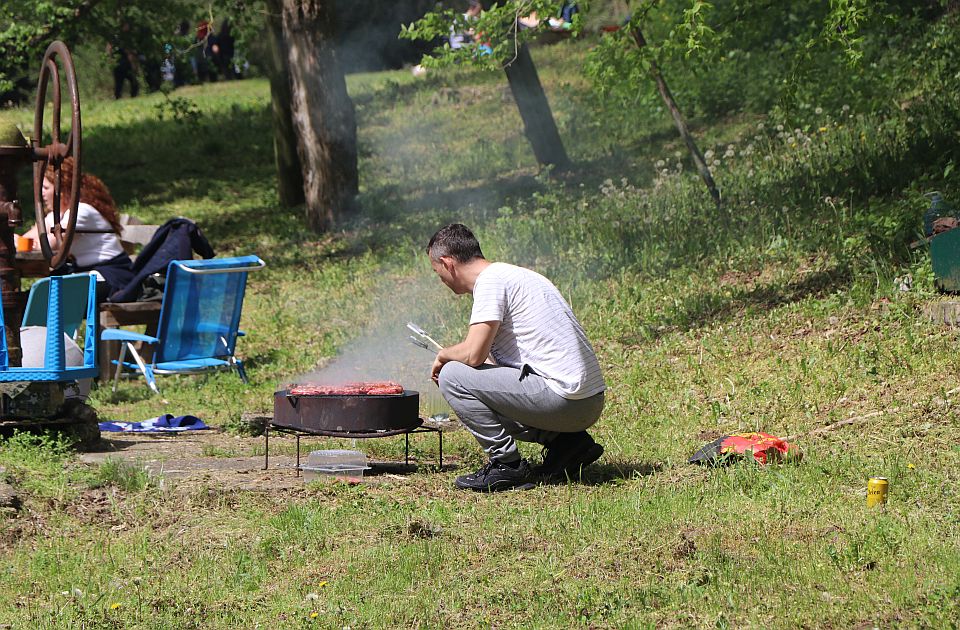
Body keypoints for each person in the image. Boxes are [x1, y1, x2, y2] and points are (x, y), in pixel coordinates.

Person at [427, 224, 606, 492]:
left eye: (436, 271)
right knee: (471, 377)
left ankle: (506, 466)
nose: (439, 278)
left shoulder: (490, 281)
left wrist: (443, 355)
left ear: (447, 263)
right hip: (587, 402)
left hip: (565, 401)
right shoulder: (514, 275)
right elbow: (493, 363)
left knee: (452, 375)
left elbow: (473, 354)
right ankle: (568, 445)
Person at [23, 158, 134, 302]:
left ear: (62, 188)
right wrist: (19, 241)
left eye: (46, 188)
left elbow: (50, 245)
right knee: (35, 297)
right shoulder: (58, 215)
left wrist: (29, 243)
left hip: (112, 277)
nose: (41, 193)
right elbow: (26, 239)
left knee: (43, 299)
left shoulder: (81, 211)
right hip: (87, 274)